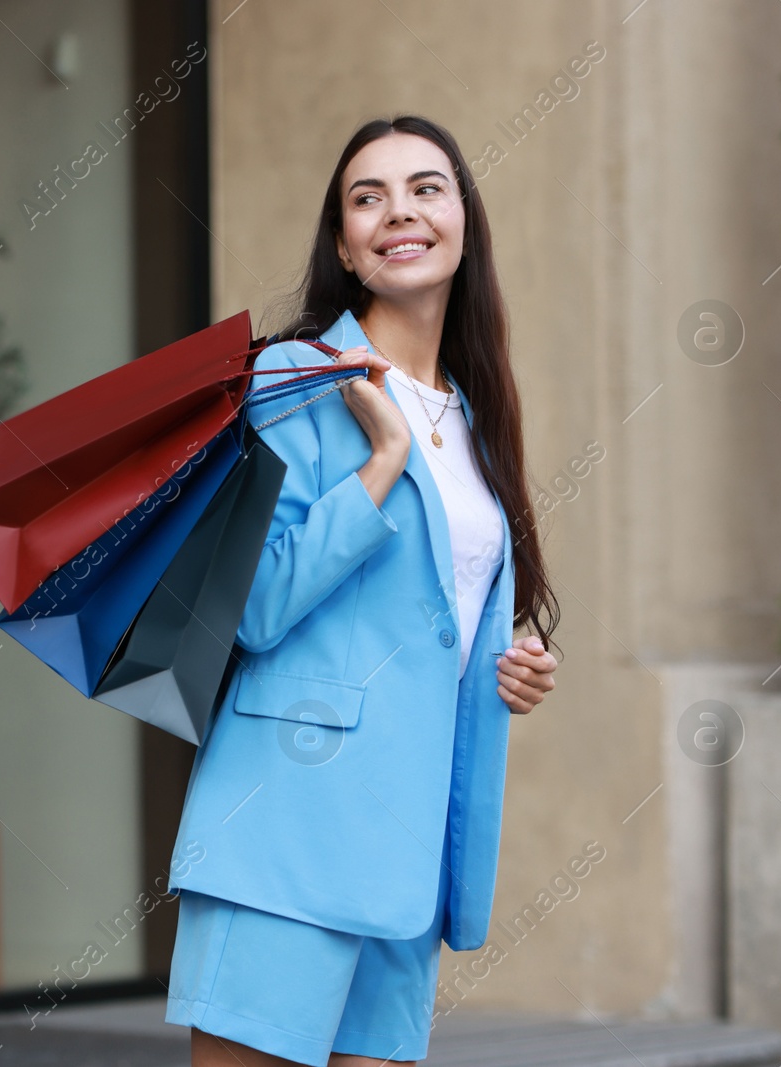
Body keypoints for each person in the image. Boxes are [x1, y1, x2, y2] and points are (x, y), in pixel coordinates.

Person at [162, 115, 561, 1067]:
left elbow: (439, 612)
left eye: (427, 188)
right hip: (288, 826)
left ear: (464, 220)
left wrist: (512, 662)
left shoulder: (474, 415)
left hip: (406, 843)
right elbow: (253, 608)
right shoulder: (291, 383)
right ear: (344, 244)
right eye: (367, 197)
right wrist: (380, 462)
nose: (399, 213)